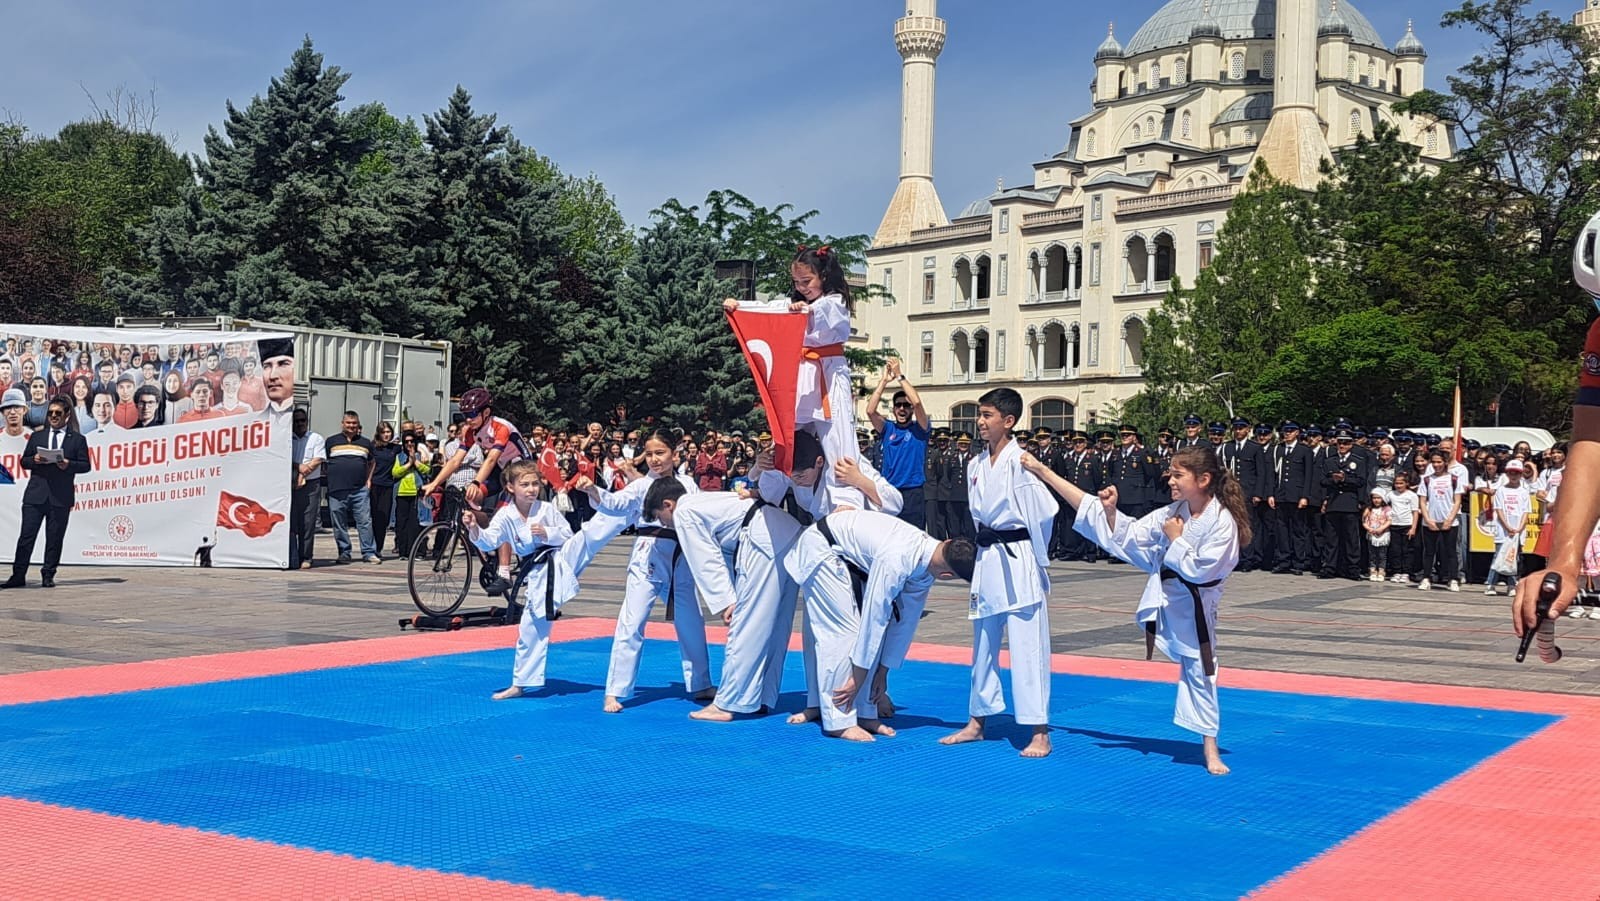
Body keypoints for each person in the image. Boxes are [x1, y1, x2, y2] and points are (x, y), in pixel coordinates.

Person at [1029, 444, 1245, 775]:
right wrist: (1113, 512)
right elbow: (1131, 534)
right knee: (1105, 523)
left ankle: (1210, 747)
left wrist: (1177, 539)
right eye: (1170, 474)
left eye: (1177, 475)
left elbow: (1205, 571)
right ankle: (1046, 473)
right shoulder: (1174, 511)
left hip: (1196, 602)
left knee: (1203, 671)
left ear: (1203, 479)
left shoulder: (1221, 523)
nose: (1170, 480)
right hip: (1166, 589)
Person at [939, 388, 1058, 759]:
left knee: (1028, 645)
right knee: (983, 642)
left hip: (1018, 554)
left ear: (1008, 421)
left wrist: (1036, 559)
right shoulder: (975, 465)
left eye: (987, 415)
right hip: (988, 555)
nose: (980, 422)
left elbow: (1045, 512)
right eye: (980, 414)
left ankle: (1039, 730)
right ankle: (977, 720)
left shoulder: (1022, 461)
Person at [793, 508, 975, 741]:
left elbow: (903, 623)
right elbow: (874, 619)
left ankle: (867, 712)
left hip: (847, 558)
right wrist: (856, 681)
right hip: (820, 547)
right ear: (948, 576)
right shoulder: (898, 558)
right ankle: (839, 719)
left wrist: (883, 673)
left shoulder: (927, 565)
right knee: (846, 632)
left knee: (876, 636)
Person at [568, 428, 712, 714]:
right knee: (631, 623)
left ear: (675, 453)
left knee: (691, 623)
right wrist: (593, 490)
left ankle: (701, 683)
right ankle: (615, 690)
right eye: (650, 454)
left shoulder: (688, 484)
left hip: (681, 560)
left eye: (661, 453)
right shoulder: (640, 486)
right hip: (647, 557)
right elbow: (615, 504)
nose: (655, 460)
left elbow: (701, 516)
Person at [645, 471, 804, 724]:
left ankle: (729, 702)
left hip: (763, 540)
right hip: (788, 534)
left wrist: (726, 601)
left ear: (668, 505)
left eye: (661, 519)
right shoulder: (707, 501)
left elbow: (705, 558)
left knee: (747, 625)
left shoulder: (685, 511)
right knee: (775, 626)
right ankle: (761, 696)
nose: (666, 525)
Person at [723, 245, 863, 510]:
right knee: (786, 437)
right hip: (800, 378)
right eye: (797, 282)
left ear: (823, 276)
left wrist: (805, 311)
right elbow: (770, 310)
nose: (801, 287)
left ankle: (847, 500)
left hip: (828, 375)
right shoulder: (794, 305)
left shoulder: (835, 302)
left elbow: (821, 313)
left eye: (806, 281)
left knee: (838, 438)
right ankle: (767, 490)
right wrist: (740, 306)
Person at [474, 460, 578, 701]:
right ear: (511, 487)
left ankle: (616, 513)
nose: (532, 489)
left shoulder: (546, 509)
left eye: (535, 483)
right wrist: (473, 529)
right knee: (530, 626)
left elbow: (569, 535)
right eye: (525, 484)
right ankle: (520, 683)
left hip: (562, 559)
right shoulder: (506, 514)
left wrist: (548, 533)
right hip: (539, 572)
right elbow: (489, 541)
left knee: (593, 534)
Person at [421, 388, 530, 594]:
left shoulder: (500, 427)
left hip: (521, 470)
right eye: (464, 415)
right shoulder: (469, 431)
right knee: (470, 501)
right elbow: (455, 460)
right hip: (501, 470)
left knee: (503, 516)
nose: (468, 419)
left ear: (486, 412)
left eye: (472, 415)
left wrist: (476, 482)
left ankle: (505, 572)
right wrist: (434, 484)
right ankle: (489, 541)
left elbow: (490, 459)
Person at [2, 397, 92, 589]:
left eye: (57, 413)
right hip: (36, 495)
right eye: (50, 413)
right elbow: (24, 461)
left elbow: (86, 466)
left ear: (67, 415)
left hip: (60, 496)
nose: (53, 416)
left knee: (55, 538)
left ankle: (48, 574)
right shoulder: (37, 437)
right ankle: (18, 575)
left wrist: (68, 464)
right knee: (26, 536)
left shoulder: (77, 440)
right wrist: (34, 459)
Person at [865, 357, 931, 528]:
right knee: (889, 534)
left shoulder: (920, 429)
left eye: (905, 406)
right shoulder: (889, 429)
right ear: (894, 409)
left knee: (913, 536)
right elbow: (870, 411)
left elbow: (916, 402)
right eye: (898, 405)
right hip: (890, 490)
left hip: (912, 493)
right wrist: (884, 381)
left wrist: (900, 375)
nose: (902, 408)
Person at [323, 411, 380, 564]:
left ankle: (368, 552)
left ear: (358, 425)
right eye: (348, 423)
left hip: (359, 490)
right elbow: (324, 462)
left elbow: (372, 462)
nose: (351, 426)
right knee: (339, 523)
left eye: (354, 423)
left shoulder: (366, 443)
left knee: (365, 522)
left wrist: (368, 480)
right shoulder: (331, 441)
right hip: (337, 490)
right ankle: (344, 552)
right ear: (343, 423)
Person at [1320, 428, 1367, 581]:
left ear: (1351, 444)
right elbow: (1323, 481)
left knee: (1351, 539)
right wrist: (1333, 479)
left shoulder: (1357, 461)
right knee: (1331, 538)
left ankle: (1353, 568)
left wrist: (1344, 479)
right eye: (1340, 442)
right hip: (1333, 503)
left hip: (1349, 503)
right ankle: (1330, 567)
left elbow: (1361, 481)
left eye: (1346, 443)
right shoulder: (1329, 461)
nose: (1342, 446)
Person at [1418, 448, 1464, 592]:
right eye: (1433, 462)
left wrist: (1450, 519)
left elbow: (1457, 501)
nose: (1436, 465)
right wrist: (1428, 519)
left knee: (1451, 551)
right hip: (1430, 521)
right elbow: (1422, 501)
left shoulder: (1454, 479)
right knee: (1429, 551)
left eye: (1439, 462)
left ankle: (1453, 579)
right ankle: (1426, 577)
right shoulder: (1426, 479)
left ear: (1445, 462)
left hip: (1449, 521)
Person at [1485, 458, 1532, 597]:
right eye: (1511, 473)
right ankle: (1491, 584)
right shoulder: (1501, 490)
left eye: (1516, 473)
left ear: (1521, 474)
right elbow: (1499, 510)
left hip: (1518, 531)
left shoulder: (1524, 491)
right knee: (1499, 556)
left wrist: (1519, 528)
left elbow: (1526, 511)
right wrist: (1507, 526)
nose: (1513, 475)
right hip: (1503, 530)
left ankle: (1511, 585)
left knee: (1513, 558)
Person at [289, 407, 325, 570]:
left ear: (307, 421)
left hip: (311, 483)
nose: (299, 424)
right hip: (290, 483)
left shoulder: (316, 438)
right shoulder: (288, 438)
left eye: (302, 420)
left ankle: (306, 557)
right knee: (291, 521)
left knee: (307, 522)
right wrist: (299, 466)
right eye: (296, 421)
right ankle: (292, 555)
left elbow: (318, 459)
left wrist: (304, 471)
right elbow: (285, 457)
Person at [390, 431, 431, 559]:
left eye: (411, 441)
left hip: (416, 493)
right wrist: (408, 464)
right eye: (406, 441)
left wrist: (416, 462)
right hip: (402, 493)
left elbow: (428, 471)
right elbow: (395, 472)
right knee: (402, 523)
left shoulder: (422, 456)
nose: (409, 444)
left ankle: (417, 551)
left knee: (416, 523)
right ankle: (403, 551)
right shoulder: (399, 457)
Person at [1387, 472, 1420, 583]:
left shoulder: (1412, 495)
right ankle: (1397, 571)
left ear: (1406, 483)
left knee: (1407, 550)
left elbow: (1415, 512)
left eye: (1401, 483)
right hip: (1394, 525)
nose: (1399, 485)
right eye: (1396, 483)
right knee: (1395, 549)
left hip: (1407, 525)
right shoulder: (1391, 494)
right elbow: (1385, 504)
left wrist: (1413, 527)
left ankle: (1406, 572)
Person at [1363, 489, 1392, 583]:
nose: (1376, 500)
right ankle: (1372, 570)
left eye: (1378, 498)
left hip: (1383, 534)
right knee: (1372, 554)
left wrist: (1381, 528)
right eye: (1374, 498)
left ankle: (1381, 571)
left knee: (1382, 554)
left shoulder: (1387, 509)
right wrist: (1368, 528)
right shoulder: (1369, 509)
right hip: (1372, 534)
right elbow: (1364, 521)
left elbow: (1389, 520)